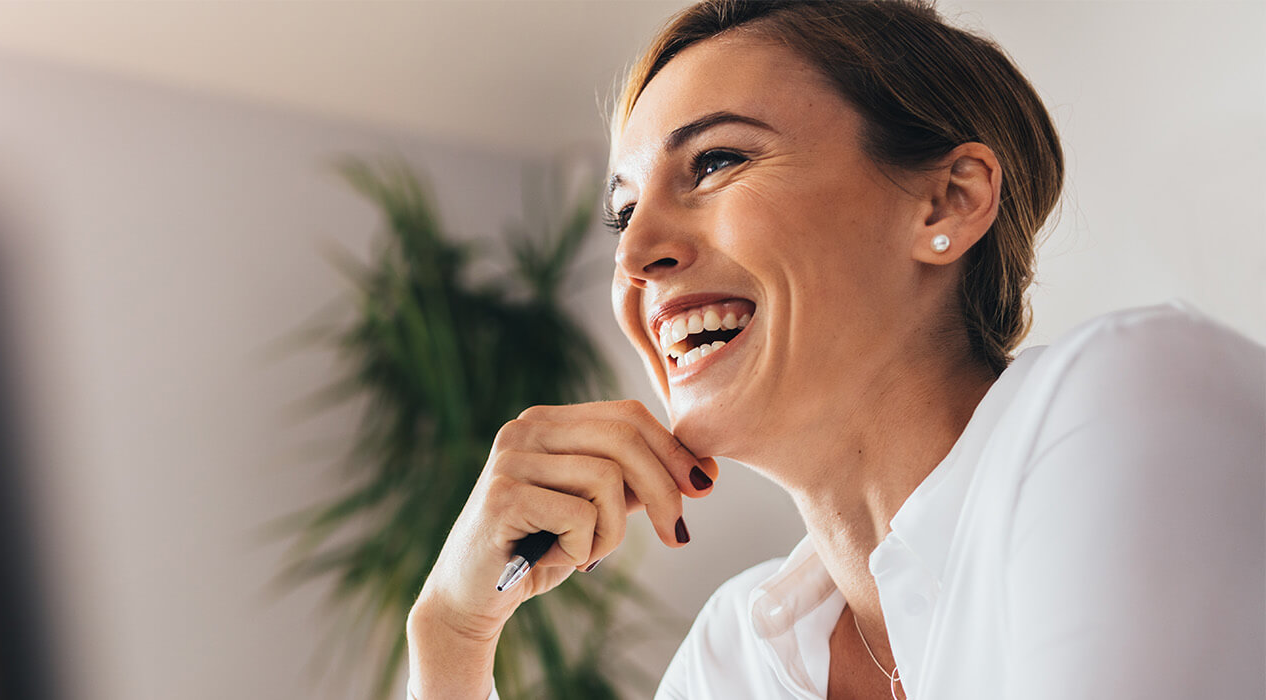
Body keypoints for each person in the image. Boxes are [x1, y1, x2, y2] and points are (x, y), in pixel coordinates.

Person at [404, 1, 1266, 698]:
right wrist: (450, 635)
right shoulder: (739, 655)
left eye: (715, 162)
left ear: (947, 202)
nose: (634, 257)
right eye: (625, 213)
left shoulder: (1130, 403)